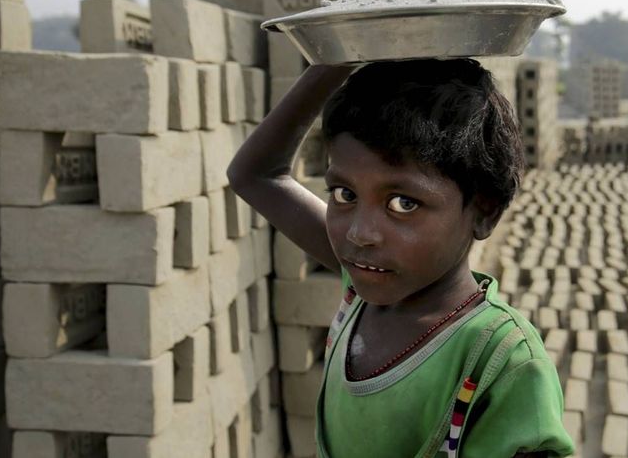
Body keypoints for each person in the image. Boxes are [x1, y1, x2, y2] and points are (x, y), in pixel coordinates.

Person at [227, 58, 574, 458]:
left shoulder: (503, 362)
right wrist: (334, 59)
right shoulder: (362, 284)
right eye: (344, 195)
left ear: (484, 211)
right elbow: (255, 175)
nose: (360, 232)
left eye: (403, 203)